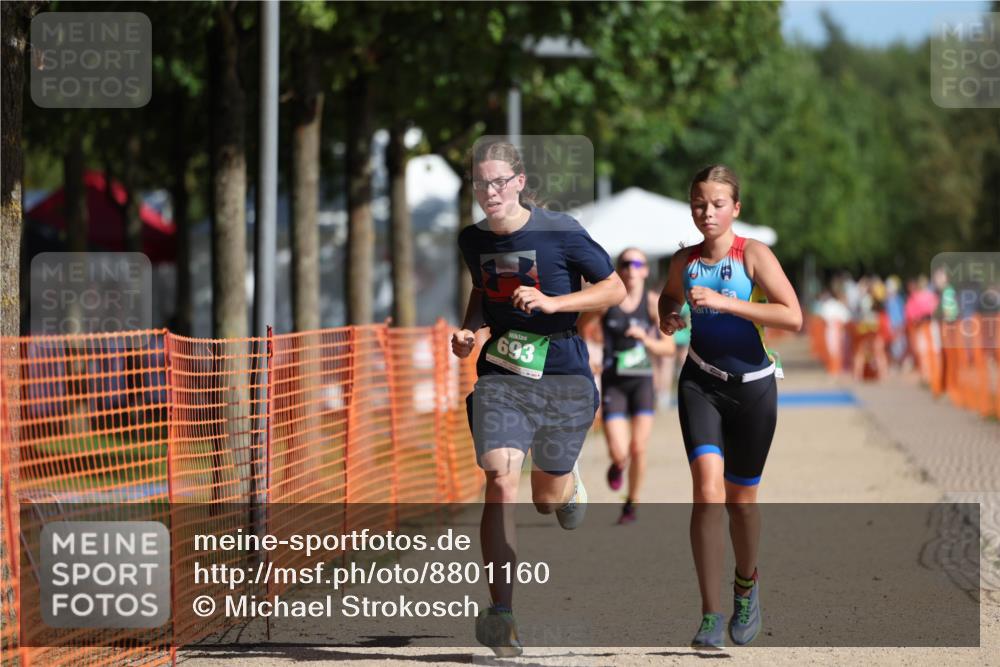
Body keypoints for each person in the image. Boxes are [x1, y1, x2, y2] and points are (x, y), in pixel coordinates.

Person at [452, 140, 626, 657]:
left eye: (499, 182)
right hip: (502, 374)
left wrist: (554, 302)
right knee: (500, 477)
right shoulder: (471, 240)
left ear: (520, 182)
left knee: (545, 500)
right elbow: (482, 291)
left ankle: (568, 486)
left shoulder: (561, 231)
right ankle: (502, 613)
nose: (490, 192)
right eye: (481, 183)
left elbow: (613, 288)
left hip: (562, 374)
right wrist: (470, 331)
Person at [658, 165, 802, 649]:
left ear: (735, 208)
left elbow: (793, 316)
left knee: (741, 503)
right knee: (707, 492)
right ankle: (709, 614)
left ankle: (745, 584)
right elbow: (668, 299)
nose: (708, 212)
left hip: (753, 389)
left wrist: (726, 303)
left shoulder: (753, 255)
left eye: (718, 204)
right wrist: (669, 317)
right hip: (700, 383)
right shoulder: (683, 261)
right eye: (699, 204)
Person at [581, 248, 674, 524]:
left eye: (637, 263)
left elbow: (668, 348)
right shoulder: (607, 301)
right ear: (619, 269)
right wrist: (590, 357)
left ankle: (631, 503)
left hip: (642, 383)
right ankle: (618, 465)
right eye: (625, 263)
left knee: (638, 448)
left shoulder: (652, 303)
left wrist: (647, 341)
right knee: (620, 453)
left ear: (645, 270)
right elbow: (581, 329)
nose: (631, 268)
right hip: (614, 384)